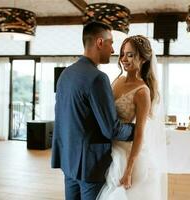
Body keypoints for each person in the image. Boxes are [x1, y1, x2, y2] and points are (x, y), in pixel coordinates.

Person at [51, 21, 135, 200]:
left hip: (68, 159)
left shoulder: (65, 74)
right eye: (111, 43)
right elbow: (111, 129)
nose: (113, 51)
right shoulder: (97, 78)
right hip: (90, 164)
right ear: (99, 42)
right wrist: (138, 129)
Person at [96, 35, 168, 200]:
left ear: (143, 58)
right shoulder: (117, 80)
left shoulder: (143, 92)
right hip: (110, 144)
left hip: (126, 152)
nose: (124, 59)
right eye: (122, 54)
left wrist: (128, 170)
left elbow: (140, 132)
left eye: (130, 55)